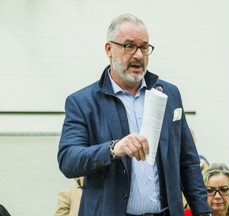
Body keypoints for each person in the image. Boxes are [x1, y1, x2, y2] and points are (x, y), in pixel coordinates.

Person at [57, 13, 211, 216]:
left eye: (144, 47)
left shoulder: (169, 94)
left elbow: (188, 161)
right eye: (129, 46)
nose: (138, 55)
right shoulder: (83, 102)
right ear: (109, 49)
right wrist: (113, 149)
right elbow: (68, 160)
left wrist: (203, 212)